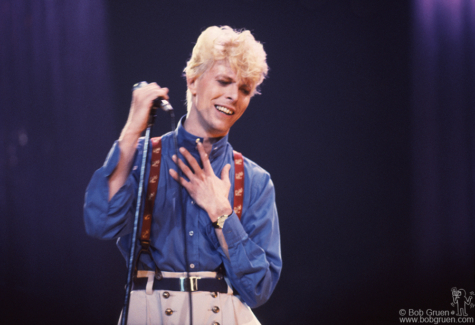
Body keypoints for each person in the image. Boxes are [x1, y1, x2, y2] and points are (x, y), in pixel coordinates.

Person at [84, 26, 281, 325]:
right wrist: (131, 132)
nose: (233, 96)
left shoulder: (255, 180)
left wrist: (222, 214)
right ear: (192, 80)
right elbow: (99, 223)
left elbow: (258, 290)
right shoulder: (141, 156)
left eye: (244, 89)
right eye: (225, 81)